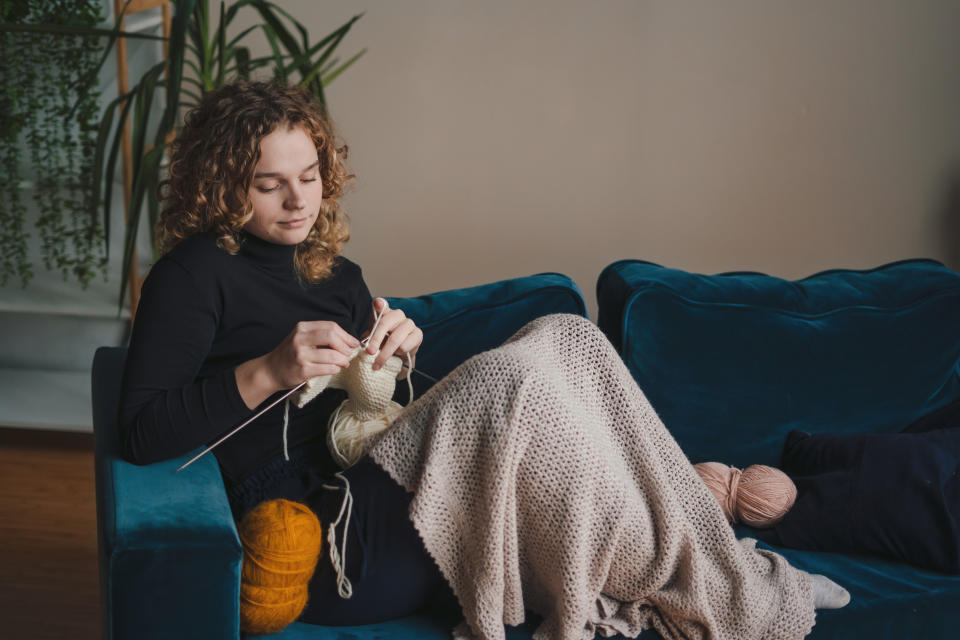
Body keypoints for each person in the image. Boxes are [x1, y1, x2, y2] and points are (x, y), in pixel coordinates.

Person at [119, 79, 849, 638]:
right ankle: (734, 591)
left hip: (386, 492)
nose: (297, 200)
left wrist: (398, 360)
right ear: (224, 185)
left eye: (308, 175)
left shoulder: (334, 277)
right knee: (505, 380)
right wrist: (269, 371)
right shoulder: (193, 275)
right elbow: (140, 431)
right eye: (268, 184)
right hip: (325, 538)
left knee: (568, 337)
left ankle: (720, 569)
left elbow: (370, 412)